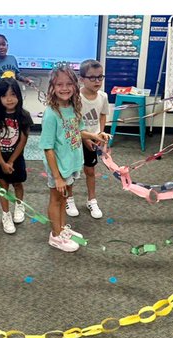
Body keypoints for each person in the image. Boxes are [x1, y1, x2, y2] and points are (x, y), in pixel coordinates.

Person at [40, 65, 85, 253]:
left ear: (75, 85)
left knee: (64, 198)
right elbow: (47, 148)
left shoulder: (73, 107)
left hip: (70, 163)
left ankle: (62, 229)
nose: (64, 88)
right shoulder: (51, 114)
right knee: (56, 199)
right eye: (59, 84)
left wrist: (95, 136)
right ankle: (55, 235)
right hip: (58, 167)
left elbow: (79, 131)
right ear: (52, 87)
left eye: (68, 84)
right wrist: (57, 177)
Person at [0, 78, 31, 234]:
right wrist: (2, 163)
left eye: (13, 94)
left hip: (15, 158)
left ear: (18, 95)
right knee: (3, 187)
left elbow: (23, 141)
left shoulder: (24, 116)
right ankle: (6, 214)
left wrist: (11, 161)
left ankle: (19, 205)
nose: (9, 99)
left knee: (17, 184)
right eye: (4, 95)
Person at [70, 60, 110, 220]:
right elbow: (73, 120)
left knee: (90, 170)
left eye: (100, 77)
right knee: (71, 171)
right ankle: (69, 199)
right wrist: (86, 138)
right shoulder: (75, 97)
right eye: (92, 78)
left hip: (94, 140)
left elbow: (102, 115)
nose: (97, 81)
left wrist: (100, 133)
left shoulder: (103, 96)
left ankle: (91, 200)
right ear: (81, 79)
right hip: (76, 139)